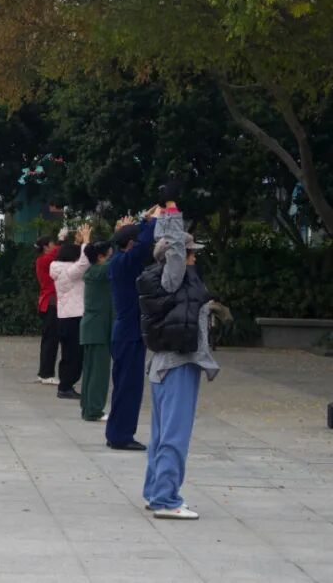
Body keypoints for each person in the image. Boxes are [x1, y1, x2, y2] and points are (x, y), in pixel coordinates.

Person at [138, 201, 219, 520]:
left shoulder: (165, 281)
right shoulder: (172, 278)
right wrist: (171, 211)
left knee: (161, 435)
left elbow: (168, 246)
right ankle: (166, 498)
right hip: (177, 365)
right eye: (191, 253)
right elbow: (172, 246)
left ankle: (155, 491)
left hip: (164, 364)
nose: (195, 257)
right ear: (178, 257)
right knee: (174, 435)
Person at [106, 206, 160, 451]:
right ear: (130, 244)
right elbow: (144, 244)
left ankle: (118, 432)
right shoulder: (124, 262)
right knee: (129, 387)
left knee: (125, 386)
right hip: (129, 334)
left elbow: (141, 243)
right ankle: (121, 435)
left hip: (126, 333)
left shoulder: (119, 261)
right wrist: (152, 222)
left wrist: (144, 221)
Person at [49, 224, 92, 400]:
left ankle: (65, 385)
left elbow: (80, 261)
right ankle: (66, 385)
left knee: (67, 353)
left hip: (63, 316)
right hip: (74, 316)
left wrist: (78, 242)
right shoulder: (70, 272)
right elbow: (84, 262)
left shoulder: (57, 268)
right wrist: (86, 242)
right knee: (75, 355)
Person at [80, 241, 114, 422]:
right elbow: (119, 262)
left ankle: (88, 407)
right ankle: (94, 409)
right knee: (99, 372)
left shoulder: (93, 271)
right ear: (100, 257)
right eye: (108, 254)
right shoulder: (100, 271)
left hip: (91, 327)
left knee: (90, 371)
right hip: (98, 328)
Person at [34, 235, 61, 385]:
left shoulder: (45, 260)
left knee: (49, 339)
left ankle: (44, 372)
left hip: (49, 302)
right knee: (51, 339)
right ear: (45, 246)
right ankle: (46, 373)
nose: (54, 246)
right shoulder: (43, 260)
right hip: (50, 302)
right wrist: (61, 241)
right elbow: (56, 253)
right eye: (52, 244)